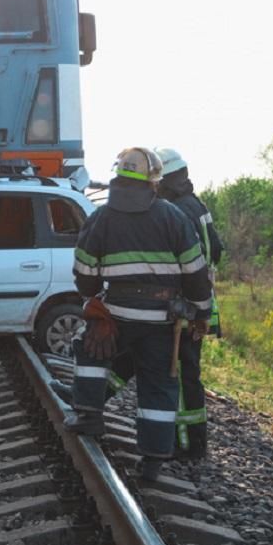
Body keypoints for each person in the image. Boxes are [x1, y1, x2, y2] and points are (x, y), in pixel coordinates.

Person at [62, 147, 212, 482]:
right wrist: (201, 312)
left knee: (89, 349)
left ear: (118, 178)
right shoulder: (173, 217)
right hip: (163, 320)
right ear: (153, 181)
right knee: (158, 385)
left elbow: (84, 270)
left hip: (117, 314)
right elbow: (195, 272)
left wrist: (92, 301)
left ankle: (88, 414)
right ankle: (153, 460)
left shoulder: (100, 218)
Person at [154, 147, 224, 460]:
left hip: (185, 306)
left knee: (182, 374)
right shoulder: (196, 204)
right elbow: (217, 249)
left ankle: (188, 444)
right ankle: (193, 441)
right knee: (189, 371)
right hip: (201, 301)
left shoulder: (174, 210)